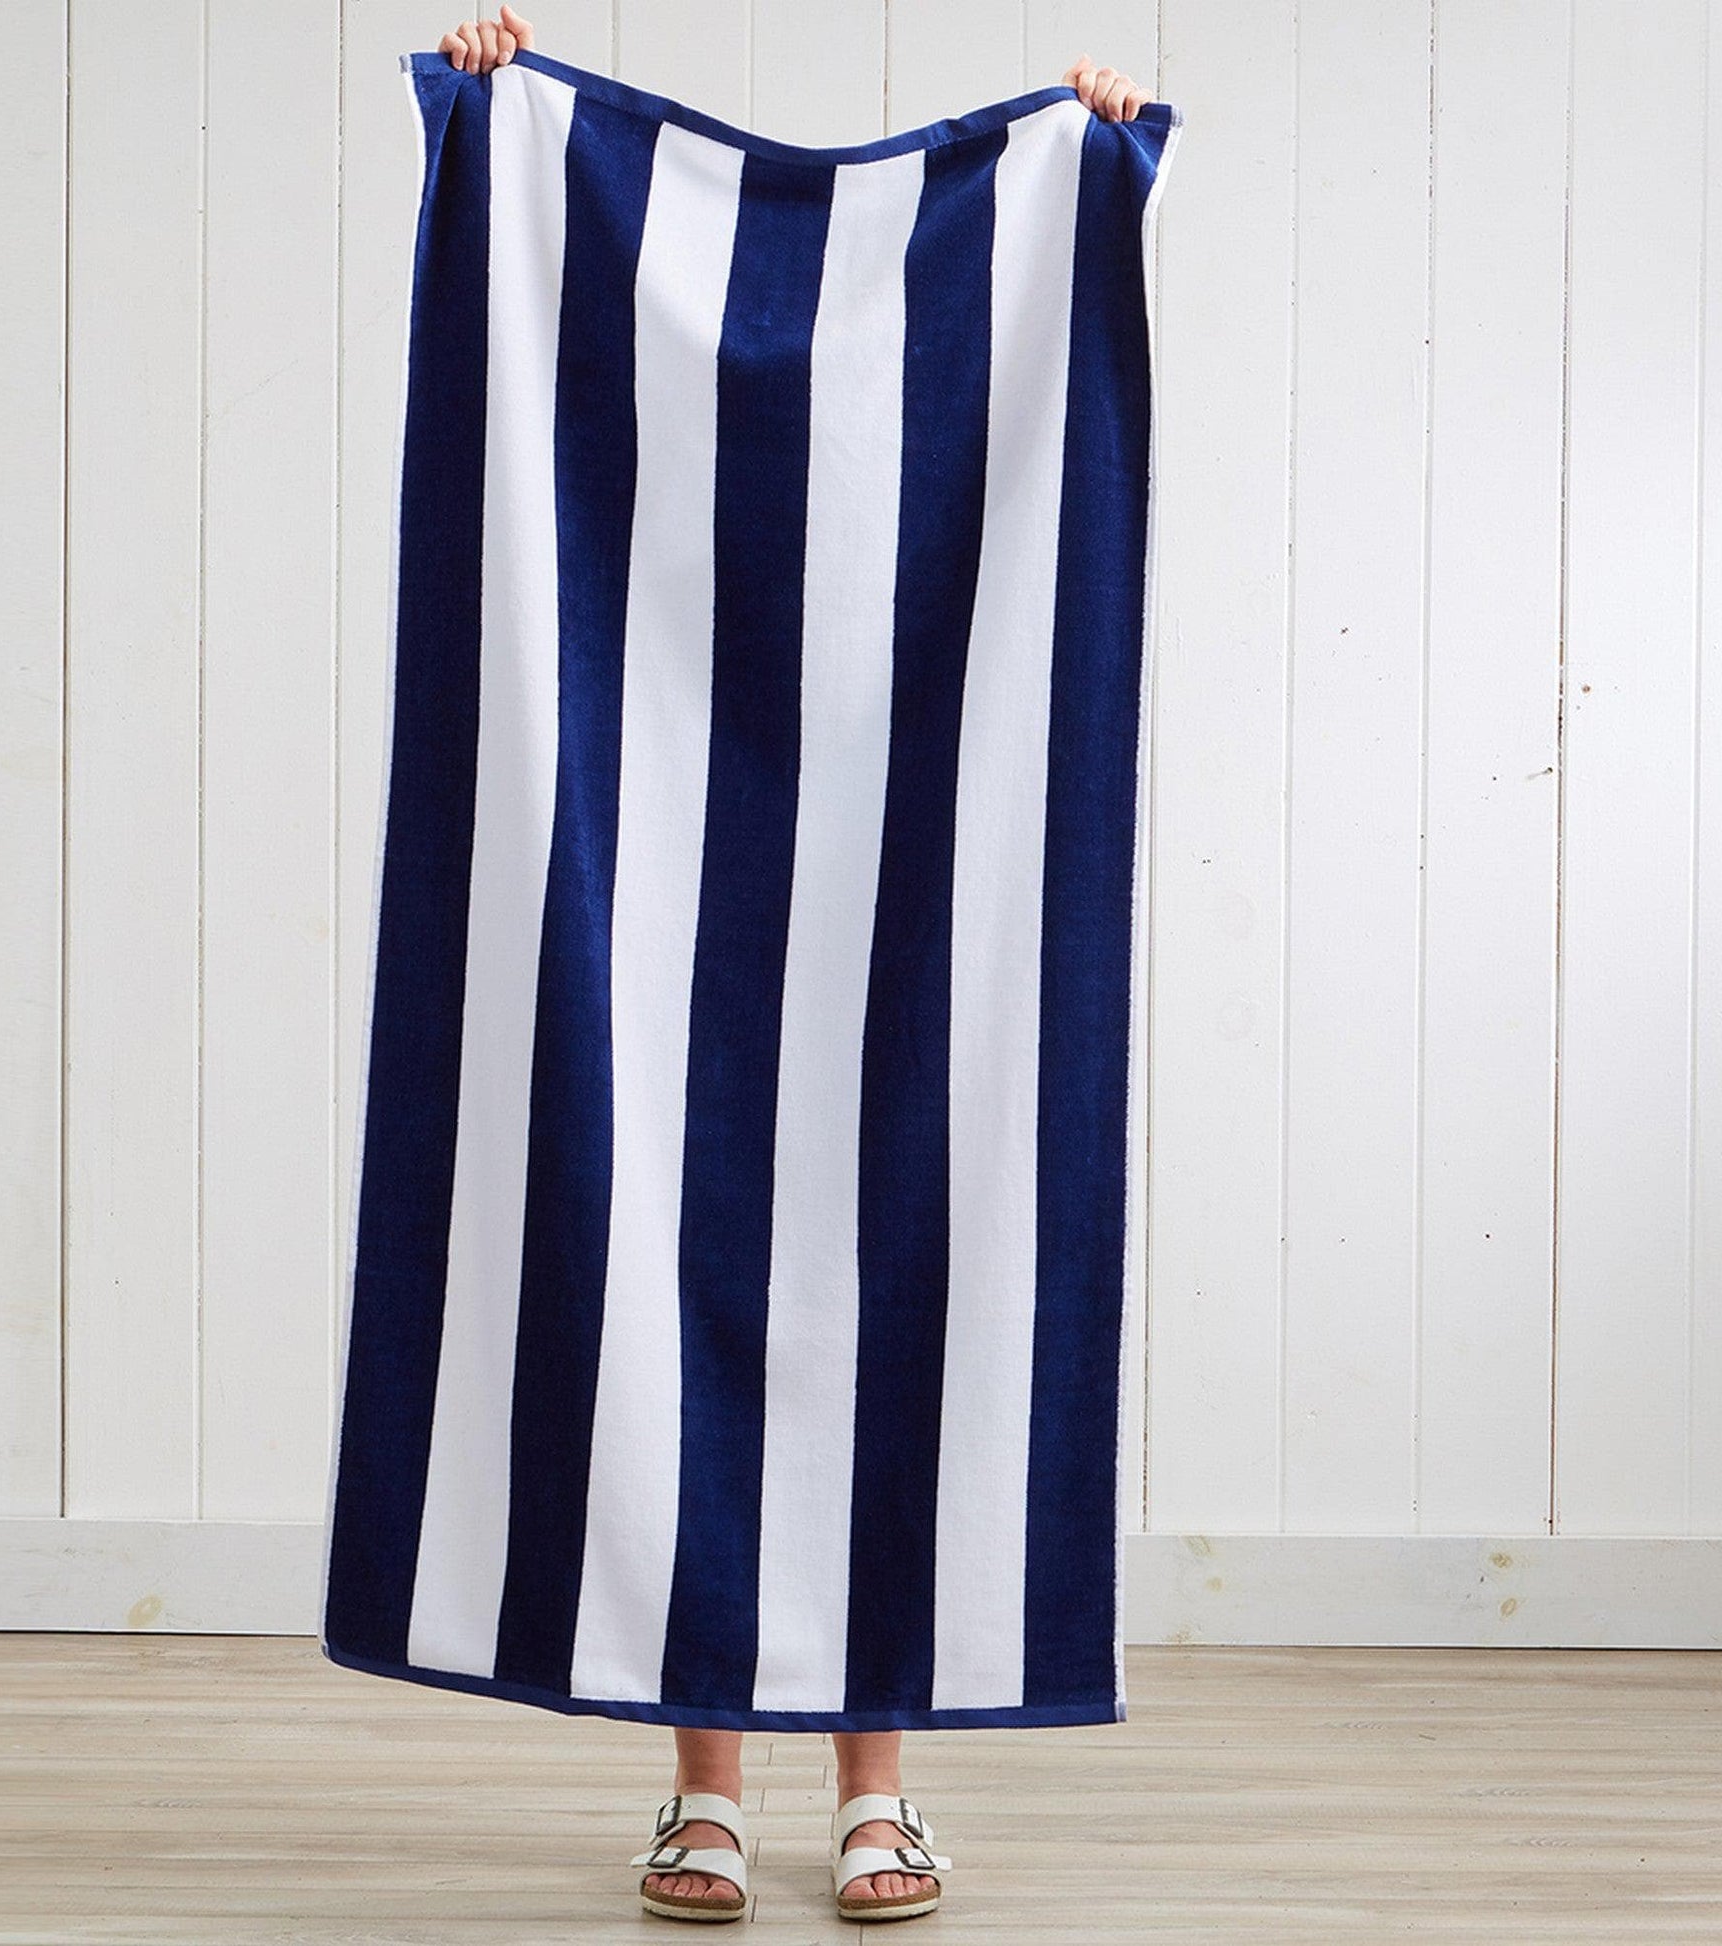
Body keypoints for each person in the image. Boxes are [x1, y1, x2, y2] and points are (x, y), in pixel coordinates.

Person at [429, 7, 1154, 1921]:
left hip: (917, 837)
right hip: (672, 815)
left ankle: (880, 1793)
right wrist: (500, 114)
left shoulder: (945, 438)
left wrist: (1082, 154)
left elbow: (1042, 347)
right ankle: (702, 1791)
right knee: (675, 1263)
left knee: (897, 1260)